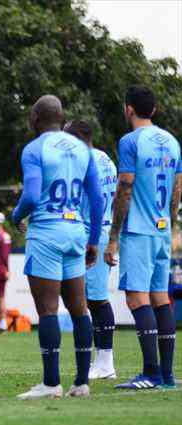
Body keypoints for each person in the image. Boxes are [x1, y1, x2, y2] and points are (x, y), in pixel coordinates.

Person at [11, 95, 102, 400]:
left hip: (47, 231)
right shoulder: (81, 148)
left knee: (48, 309)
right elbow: (98, 198)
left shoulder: (34, 149)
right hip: (76, 229)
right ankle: (81, 382)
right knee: (79, 309)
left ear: (35, 118)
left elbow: (33, 195)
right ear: (62, 119)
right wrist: (92, 241)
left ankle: (51, 383)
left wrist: (16, 215)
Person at [105, 85, 181, 390]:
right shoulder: (173, 143)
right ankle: (167, 376)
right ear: (156, 109)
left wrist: (113, 235)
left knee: (137, 297)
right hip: (162, 228)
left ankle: (150, 373)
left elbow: (125, 186)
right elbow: (177, 188)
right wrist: (169, 223)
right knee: (161, 297)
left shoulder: (130, 141)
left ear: (129, 109)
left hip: (138, 228)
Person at [64, 119, 119, 380]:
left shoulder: (84, 161)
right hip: (102, 229)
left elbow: (90, 200)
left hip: (91, 232)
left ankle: (105, 361)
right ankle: (101, 360)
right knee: (91, 299)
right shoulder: (106, 159)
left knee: (95, 299)